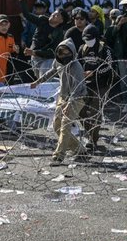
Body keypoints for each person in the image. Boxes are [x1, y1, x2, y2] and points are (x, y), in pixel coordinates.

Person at [30, 39, 88, 166]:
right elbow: (52, 71)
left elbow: (77, 88)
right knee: (56, 126)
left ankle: (58, 156)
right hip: (63, 97)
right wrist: (38, 82)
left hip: (77, 98)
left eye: (67, 53)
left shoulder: (75, 66)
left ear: (72, 52)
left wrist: (69, 104)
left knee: (65, 126)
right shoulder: (58, 62)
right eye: (61, 53)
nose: (64, 56)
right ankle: (80, 149)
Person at [16, 0, 67, 77]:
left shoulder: (59, 34)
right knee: (40, 79)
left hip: (47, 58)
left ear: (61, 21)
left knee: (45, 76)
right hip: (35, 57)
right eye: (54, 13)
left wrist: (34, 52)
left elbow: (52, 53)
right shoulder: (43, 20)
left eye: (57, 15)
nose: (53, 15)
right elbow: (27, 15)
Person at [78, 24, 113, 152]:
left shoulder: (105, 49)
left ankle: (93, 140)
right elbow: (77, 63)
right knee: (80, 111)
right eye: (85, 38)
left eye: (90, 38)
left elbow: (109, 66)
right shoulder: (82, 48)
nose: (88, 41)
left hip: (102, 84)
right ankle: (89, 134)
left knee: (95, 112)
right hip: (86, 84)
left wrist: (94, 72)